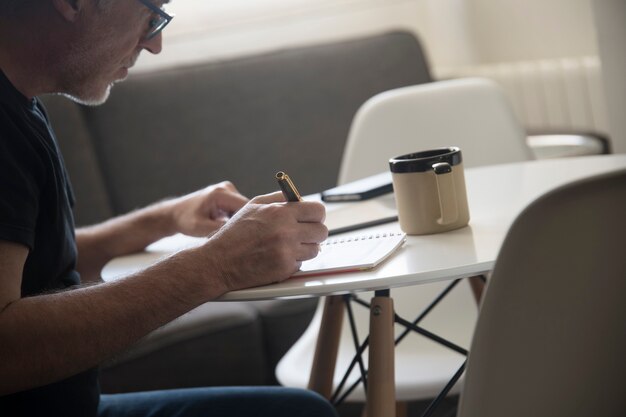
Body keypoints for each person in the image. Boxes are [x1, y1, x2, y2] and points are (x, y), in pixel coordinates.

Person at [0, 1, 337, 416]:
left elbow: (40, 268)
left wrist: (164, 219)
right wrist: (217, 265)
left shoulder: (20, 100)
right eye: (152, 12)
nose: (155, 42)